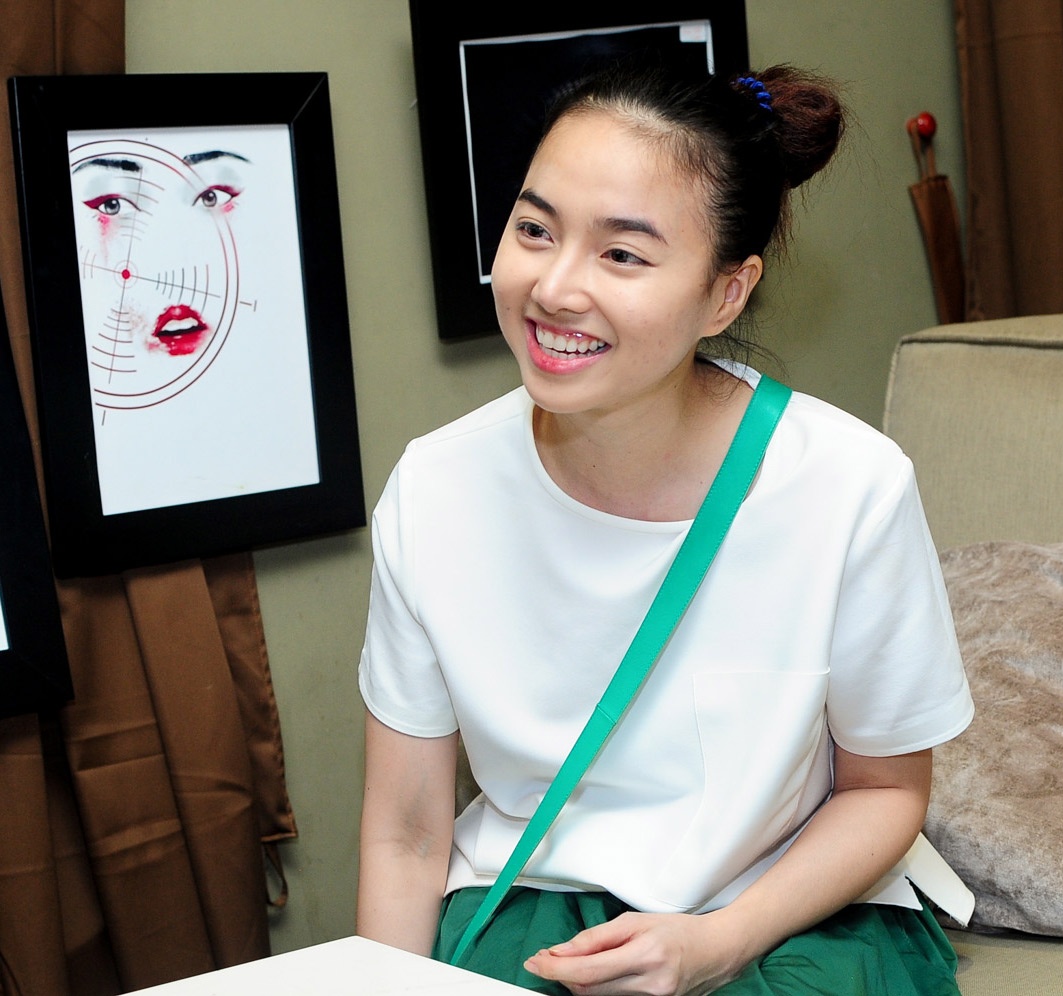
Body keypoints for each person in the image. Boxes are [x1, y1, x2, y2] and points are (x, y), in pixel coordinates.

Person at [357, 62, 973, 995]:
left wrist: (719, 942)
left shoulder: (848, 486)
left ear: (726, 294)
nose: (555, 287)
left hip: (789, 911)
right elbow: (406, 835)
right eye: (535, 230)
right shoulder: (434, 489)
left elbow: (886, 792)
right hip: (534, 904)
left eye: (622, 255)